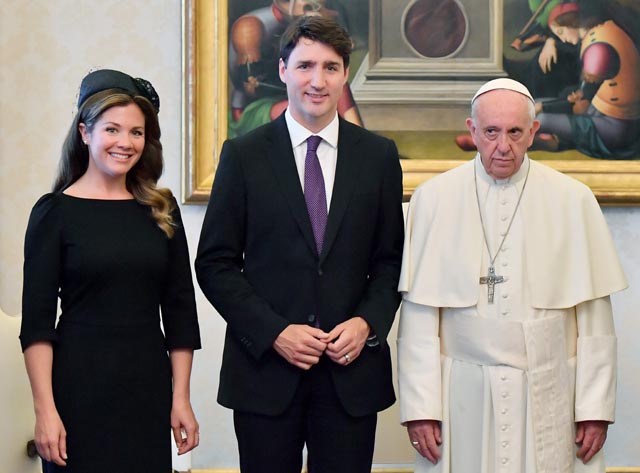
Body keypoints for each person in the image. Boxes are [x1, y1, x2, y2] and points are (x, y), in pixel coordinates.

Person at [196, 16, 404, 473]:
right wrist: (274, 332)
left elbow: (390, 262)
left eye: (330, 67)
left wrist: (368, 323)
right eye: (306, 65)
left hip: (349, 377)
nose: (317, 80)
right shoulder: (243, 156)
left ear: (345, 75)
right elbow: (215, 263)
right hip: (265, 375)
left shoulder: (379, 157)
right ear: (284, 70)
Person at [398, 78, 627, 473]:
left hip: (550, 384)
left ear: (534, 133)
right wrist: (420, 406)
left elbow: (595, 319)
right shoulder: (433, 199)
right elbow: (419, 317)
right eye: (491, 132)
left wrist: (594, 407)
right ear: (472, 131)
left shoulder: (573, 199)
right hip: (461, 392)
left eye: (515, 132)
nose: (503, 146)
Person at [20, 69, 202, 473]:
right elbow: (37, 325)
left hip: (146, 388)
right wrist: (45, 410)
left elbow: (180, 313)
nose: (125, 143)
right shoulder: (54, 213)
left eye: (136, 132)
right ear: (85, 133)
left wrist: (181, 397)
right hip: (77, 390)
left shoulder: (162, 210)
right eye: (112, 129)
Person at [228, 0, 363, 138]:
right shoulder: (249, 27)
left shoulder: (315, 19)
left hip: (297, 98)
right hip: (257, 108)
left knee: (332, 76)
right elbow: (251, 84)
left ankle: (358, 136)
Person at [533, 2, 640, 159]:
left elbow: (580, 105)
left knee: (539, 117)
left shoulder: (598, 49)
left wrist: (542, 107)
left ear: (571, 23)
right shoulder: (602, 30)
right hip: (599, 112)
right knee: (534, 106)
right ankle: (552, 140)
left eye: (561, 32)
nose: (561, 39)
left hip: (616, 128)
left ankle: (552, 139)